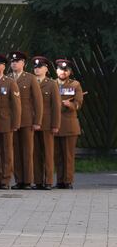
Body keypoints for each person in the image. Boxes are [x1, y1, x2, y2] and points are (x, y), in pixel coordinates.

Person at [9, 51, 43, 189]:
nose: (14, 63)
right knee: (16, 151)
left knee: (27, 151)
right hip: (11, 120)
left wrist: (37, 121)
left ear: (23, 63)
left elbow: (38, 101)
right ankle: (19, 180)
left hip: (27, 119)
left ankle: (28, 180)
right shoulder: (7, 78)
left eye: (17, 61)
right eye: (12, 61)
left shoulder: (30, 78)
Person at [0, 54, 20, 189]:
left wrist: (16, 123)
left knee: (7, 153)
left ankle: (5, 180)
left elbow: (16, 105)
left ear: (3, 66)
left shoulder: (9, 82)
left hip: (5, 121)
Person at [32, 56, 61, 190]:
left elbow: (56, 106)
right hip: (32, 122)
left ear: (46, 69)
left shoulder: (51, 83)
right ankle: (38, 181)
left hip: (47, 122)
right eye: (35, 67)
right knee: (36, 153)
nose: (37, 69)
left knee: (48, 153)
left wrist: (56, 124)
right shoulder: (31, 81)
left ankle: (48, 181)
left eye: (40, 67)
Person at [54, 59, 84, 189]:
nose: (63, 72)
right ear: (56, 70)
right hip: (54, 125)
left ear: (70, 72)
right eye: (60, 69)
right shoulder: (51, 84)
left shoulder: (75, 85)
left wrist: (70, 104)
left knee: (68, 155)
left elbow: (78, 103)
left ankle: (68, 181)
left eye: (66, 70)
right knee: (58, 155)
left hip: (69, 125)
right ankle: (59, 181)